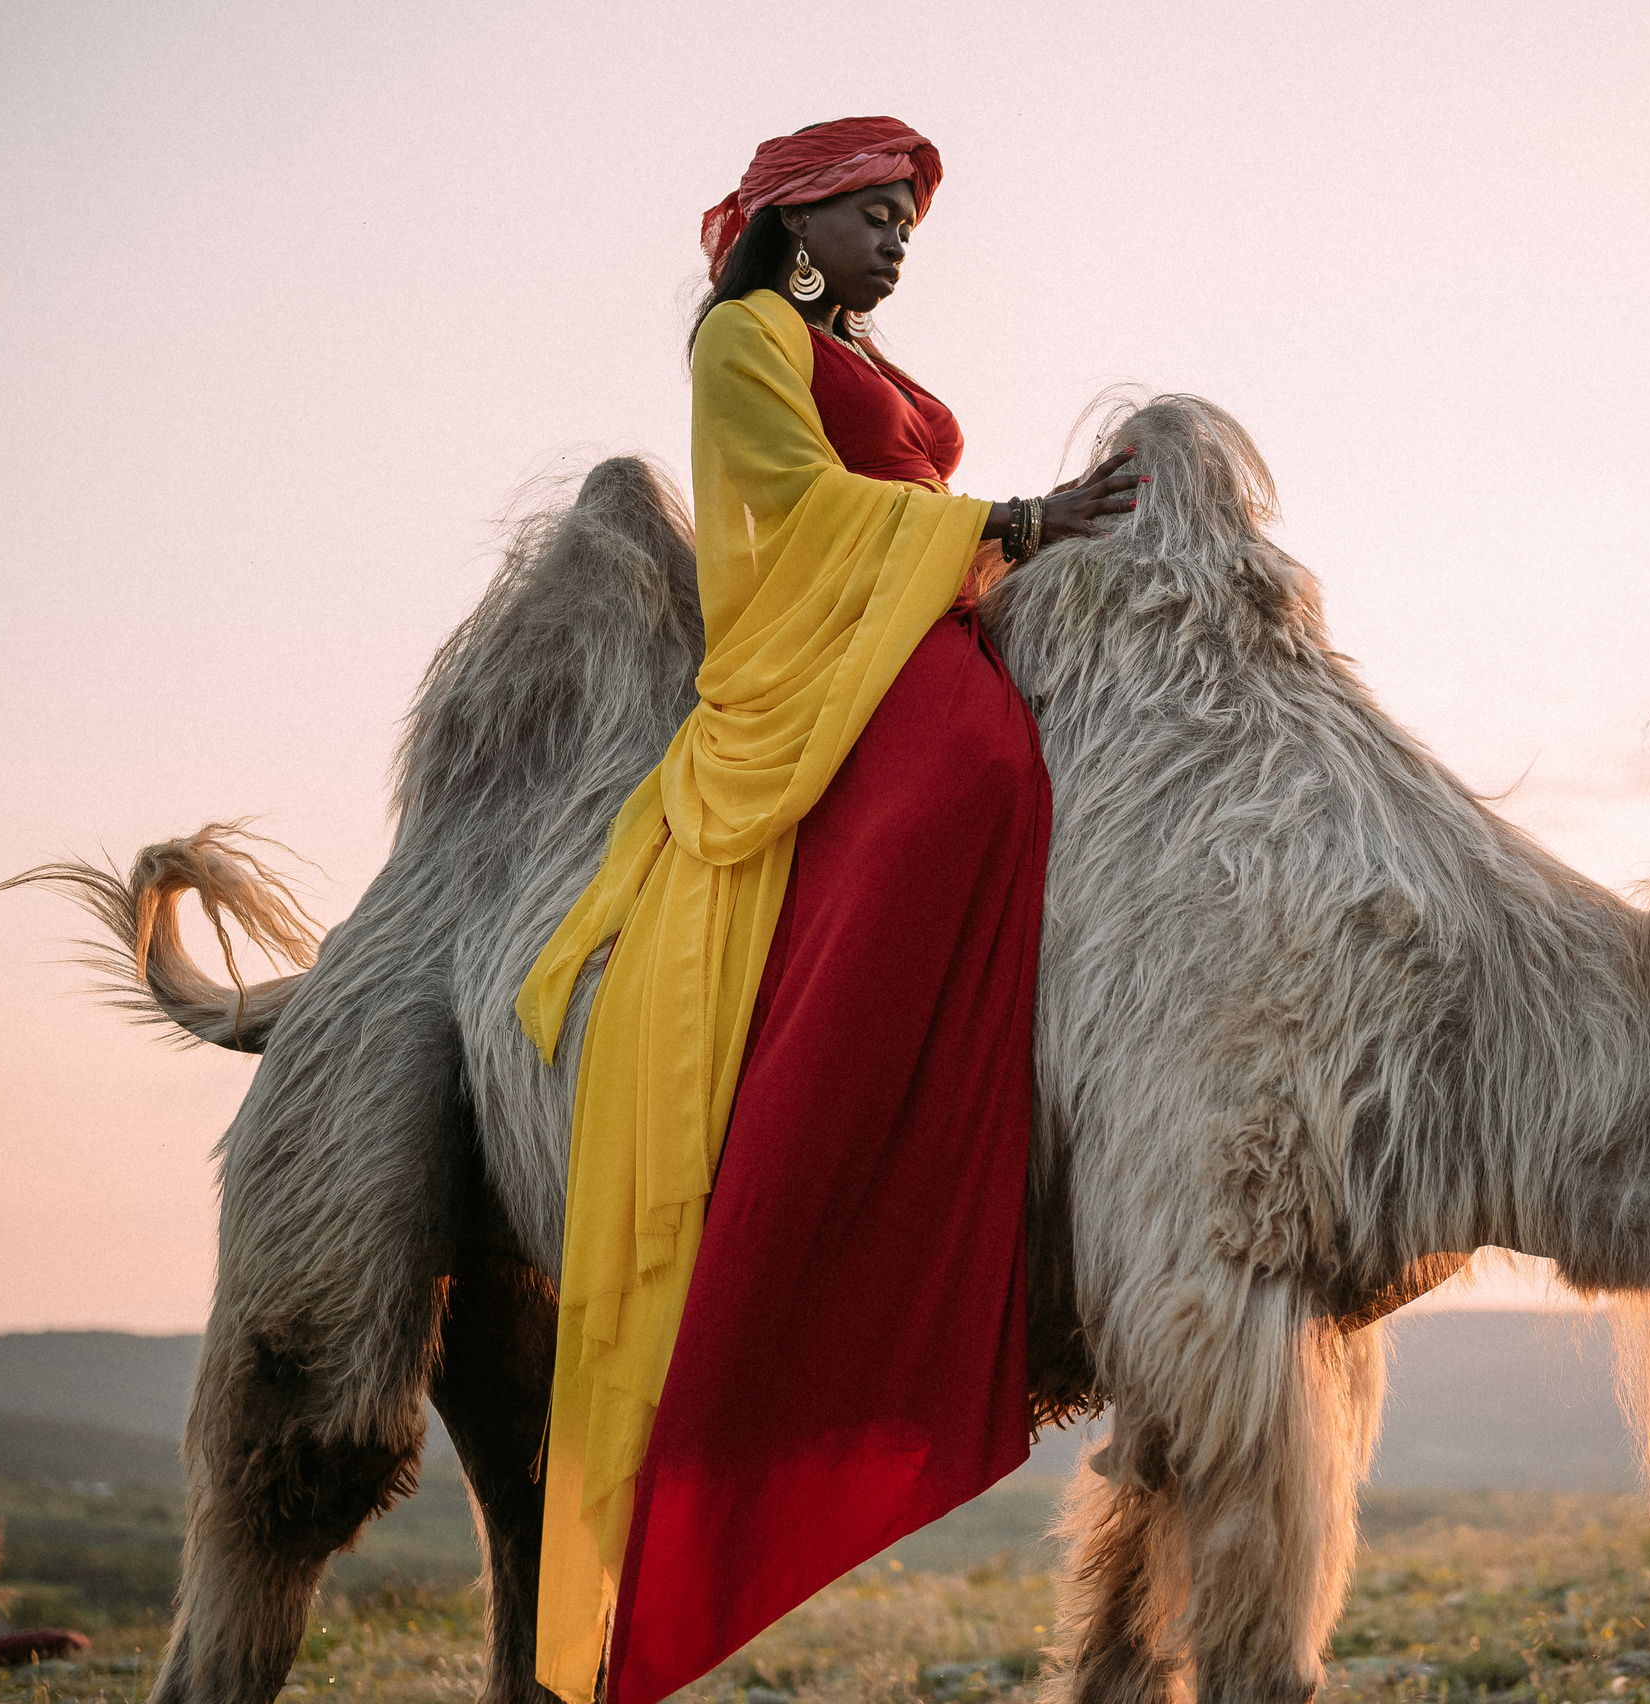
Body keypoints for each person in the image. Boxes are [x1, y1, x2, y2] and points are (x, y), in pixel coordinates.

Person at [513, 116, 1144, 1704]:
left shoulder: (854, 348)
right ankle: (836, 1164)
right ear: (795, 220)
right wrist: (1013, 523)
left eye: (908, 220)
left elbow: (898, 505)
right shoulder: (744, 337)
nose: (898, 240)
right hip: (839, 667)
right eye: (874, 213)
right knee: (970, 786)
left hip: (924, 626)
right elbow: (789, 516)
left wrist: (1024, 548)